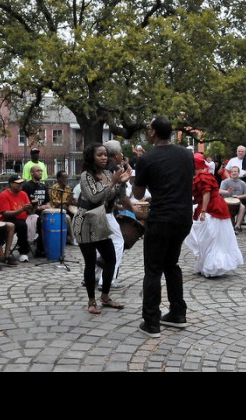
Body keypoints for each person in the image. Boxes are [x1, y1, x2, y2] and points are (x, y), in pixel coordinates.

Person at [133, 116, 194, 338]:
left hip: (161, 219)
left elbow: (138, 194)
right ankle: (178, 313)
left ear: (152, 133)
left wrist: (141, 165)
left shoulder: (147, 159)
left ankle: (151, 322)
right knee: (172, 264)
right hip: (183, 217)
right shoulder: (186, 155)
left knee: (153, 269)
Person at [72, 142, 127, 314]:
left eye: (105, 155)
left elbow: (109, 196)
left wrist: (121, 183)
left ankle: (105, 296)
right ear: (91, 157)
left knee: (110, 258)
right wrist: (113, 182)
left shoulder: (106, 173)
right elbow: (95, 197)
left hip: (99, 220)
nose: (104, 158)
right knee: (90, 262)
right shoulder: (85, 176)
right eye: (100, 155)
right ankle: (91, 301)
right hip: (85, 221)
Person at [184, 153, 243, 277]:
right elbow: (213, 190)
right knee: (209, 237)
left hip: (212, 209)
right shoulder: (203, 175)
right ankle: (207, 264)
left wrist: (204, 211)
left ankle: (213, 266)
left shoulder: (202, 176)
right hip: (212, 207)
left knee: (211, 238)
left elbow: (207, 193)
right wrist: (226, 191)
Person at [93, 139, 133, 290]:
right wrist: (133, 210)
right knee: (117, 243)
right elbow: (117, 195)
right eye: (121, 152)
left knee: (101, 243)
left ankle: (94, 276)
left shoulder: (98, 166)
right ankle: (108, 280)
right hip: (105, 213)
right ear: (117, 154)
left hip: (95, 211)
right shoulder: (115, 169)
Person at [0, 175, 34, 262]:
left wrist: (33, 207)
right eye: (18, 183)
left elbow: (29, 211)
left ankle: (41, 249)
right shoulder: (4, 195)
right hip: (9, 219)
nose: (21, 185)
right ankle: (23, 252)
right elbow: (5, 214)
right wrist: (22, 209)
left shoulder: (24, 194)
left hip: (23, 218)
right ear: (11, 184)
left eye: (22, 182)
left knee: (39, 220)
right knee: (22, 225)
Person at [22, 165, 51, 258]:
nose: (40, 172)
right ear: (32, 173)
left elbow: (48, 203)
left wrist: (42, 206)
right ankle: (40, 249)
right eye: (37, 171)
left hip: (43, 212)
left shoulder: (43, 186)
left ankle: (50, 247)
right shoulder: (27, 186)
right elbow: (26, 203)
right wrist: (39, 207)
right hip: (31, 214)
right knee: (42, 223)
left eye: (41, 171)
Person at [49, 171, 78, 246]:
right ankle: (72, 238)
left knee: (78, 214)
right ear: (59, 179)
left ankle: (74, 236)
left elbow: (70, 200)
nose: (67, 179)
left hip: (66, 208)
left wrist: (73, 200)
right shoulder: (55, 188)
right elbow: (55, 202)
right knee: (67, 218)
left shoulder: (68, 188)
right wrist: (66, 202)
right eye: (64, 177)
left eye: (67, 177)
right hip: (56, 210)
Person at [219, 166, 246, 232]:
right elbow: (220, 192)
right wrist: (227, 192)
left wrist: (238, 197)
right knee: (230, 217)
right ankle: (231, 226)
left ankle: (237, 225)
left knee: (242, 207)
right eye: (232, 171)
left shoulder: (242, 183)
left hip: (238, 202)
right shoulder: (225, 182)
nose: (234, 173)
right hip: (226, 202)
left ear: (238, 173)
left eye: (235, 171)